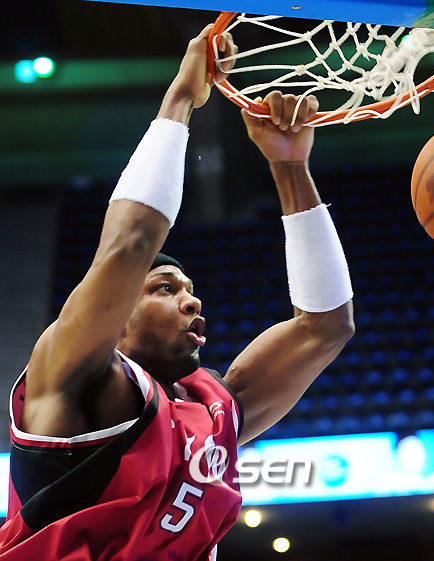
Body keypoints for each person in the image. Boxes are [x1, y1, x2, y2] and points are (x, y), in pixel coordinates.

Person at [0, 23, 354, 561]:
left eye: (189, 290)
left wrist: (289, 168)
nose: (192, 301)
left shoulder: (213, 410)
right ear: (117, 313)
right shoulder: (67, 373)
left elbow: (326, 327)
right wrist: (182, 97)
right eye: (164, 289)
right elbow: (131, 243)